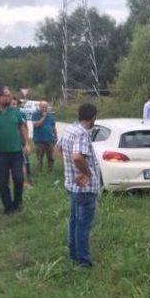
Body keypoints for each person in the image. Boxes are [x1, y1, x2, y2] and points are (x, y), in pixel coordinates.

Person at [56, 103, 101, 267]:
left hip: (72, 186)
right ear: (93, 117)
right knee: (83, 225)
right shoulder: (82, 134)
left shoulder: (70, 129)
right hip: (84, 188)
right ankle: (83, 261)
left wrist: (69, 166)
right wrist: (86, 173)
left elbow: (58, 148)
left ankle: (74, 255)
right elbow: (77, 157)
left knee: (75, 222)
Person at [0, 86, 29, 214]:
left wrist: (27, 144)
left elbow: (22, 127)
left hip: (16, 152)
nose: (9, 97)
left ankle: (17, 203)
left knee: (19, 178)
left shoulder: (15, 112)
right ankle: (8, 207)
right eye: (6, 95)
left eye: (9, 95)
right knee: (2, 181)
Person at [31, 101, 58, 172]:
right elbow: (36, 125)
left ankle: (50, 171)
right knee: (39, 158)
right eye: (43, 107)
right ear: (39, 107)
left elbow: (53, 126)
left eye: (46, 107)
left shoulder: (51, 115)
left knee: (50, 157)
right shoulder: (35, 114)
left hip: (49, 140)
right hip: (39, 140)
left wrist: (56, 136)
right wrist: (44, 117)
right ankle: (39, 172)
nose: (44, 108)